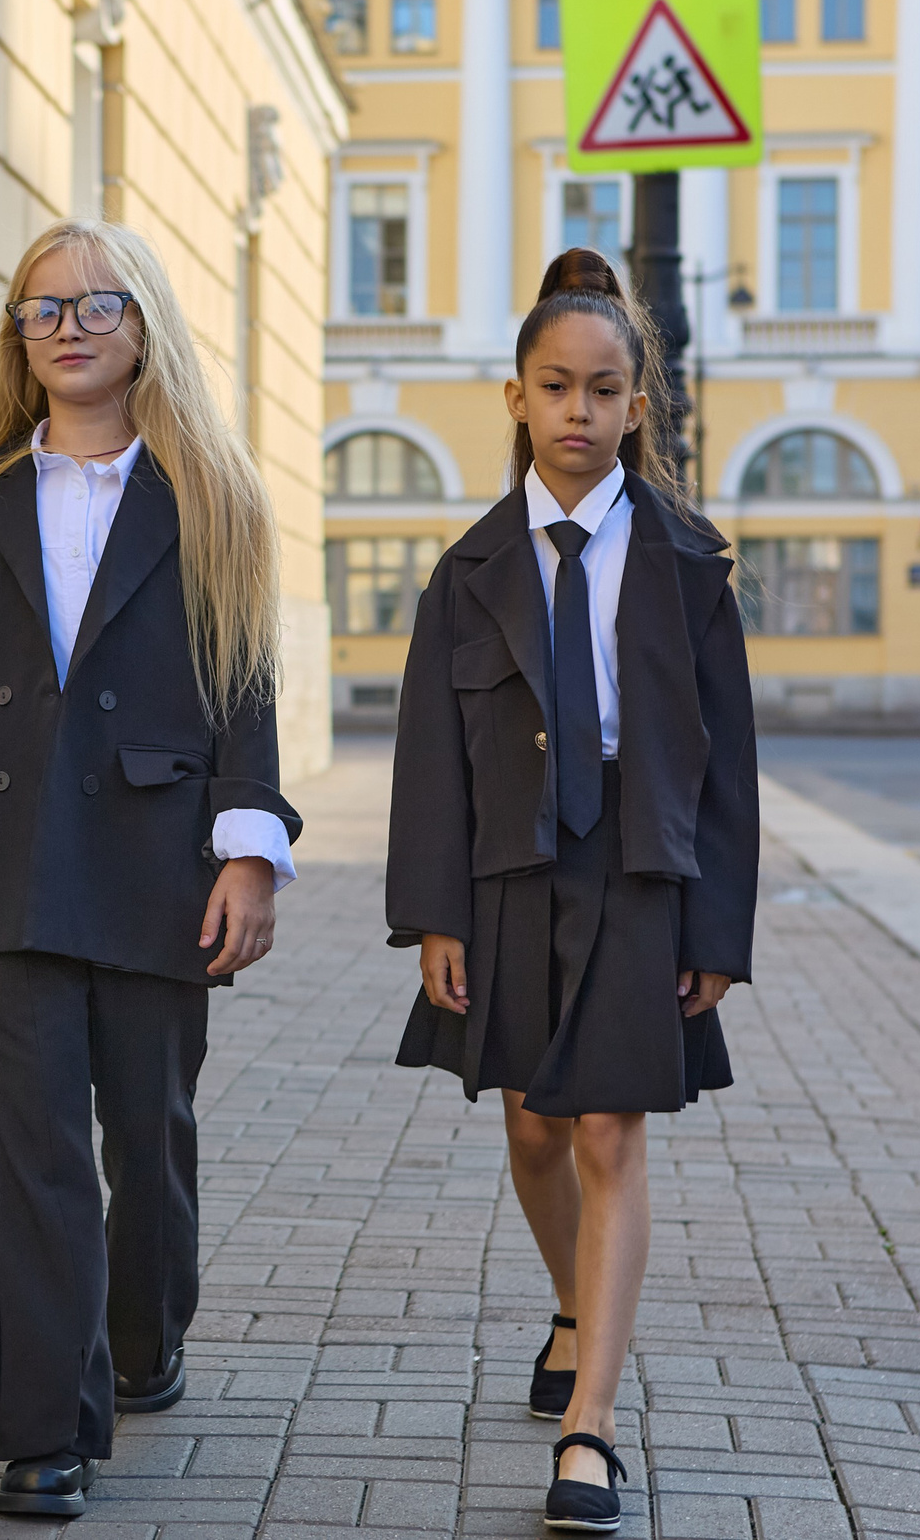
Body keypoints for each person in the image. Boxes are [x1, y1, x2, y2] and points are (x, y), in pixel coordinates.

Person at [0, 219, 300, 1518]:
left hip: (157, 852)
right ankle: (46, 1429)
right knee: (36, 1144)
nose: (67, 327)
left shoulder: (213, 491)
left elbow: (244, 683)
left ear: (145, 323)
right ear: (16, 336)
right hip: (7, 849)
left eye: (95, 304)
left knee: (148, 1127)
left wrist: (249, 849)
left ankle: (146, 1327)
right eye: (41, 309)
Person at [387, 249, 759, 1534]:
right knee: (536, 1127)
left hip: (639, 866)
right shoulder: (468, 571)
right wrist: (435, 914)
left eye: (604, 391)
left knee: (607, 1132)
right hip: (508, 869)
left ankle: (590, 1427)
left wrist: (717, 928)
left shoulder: (688, 563)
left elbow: (726, 762)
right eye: (555, 387)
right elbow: (429, 757)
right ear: (516, 398)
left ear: (636, 406)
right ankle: (570, 1306)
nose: (579, 412)